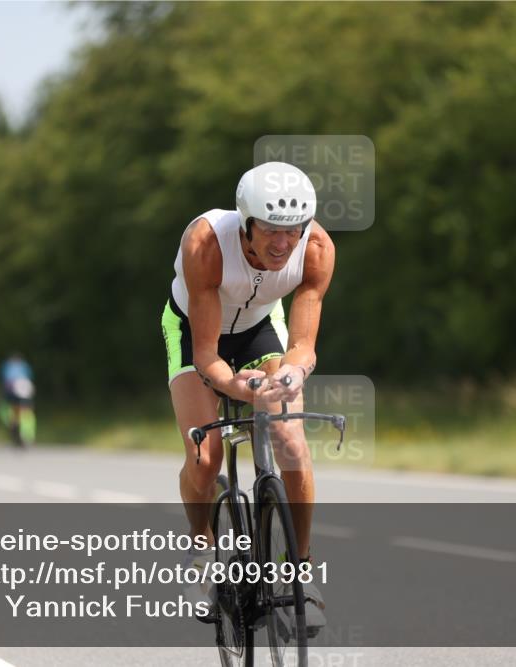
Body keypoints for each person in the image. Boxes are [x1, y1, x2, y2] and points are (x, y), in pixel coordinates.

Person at [161, 161, 335, 632]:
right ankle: (202, 553)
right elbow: (207, 355)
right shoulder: (205, 244)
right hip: (197, 334)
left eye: (293, 230)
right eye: (272, 231)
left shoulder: (316, 248)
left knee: (292, 441)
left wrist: (294, 373)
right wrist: (240, 387)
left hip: (261, 329)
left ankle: (299, 569)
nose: (284, 244)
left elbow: (302, 344)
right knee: (205, 454)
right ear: (246, 223)